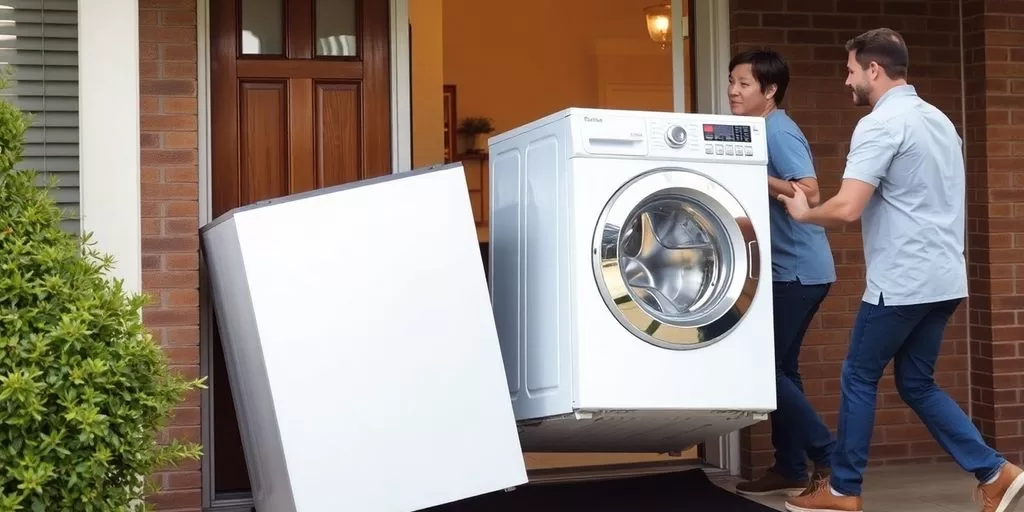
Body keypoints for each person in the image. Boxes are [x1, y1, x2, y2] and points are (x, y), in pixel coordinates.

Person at [778, 28, 1024, 512]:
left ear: (873, 69)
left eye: (851, 70)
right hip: (945, 278)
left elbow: (848, 207)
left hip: (902, 282)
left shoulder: (880, 124)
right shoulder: (939, 120)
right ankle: (995, 473)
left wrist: (806, 214)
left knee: (857, 375)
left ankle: (843, 489)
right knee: (916, 382)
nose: (846, 80)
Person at [726, 49, 839, 498]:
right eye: (731, 81)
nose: (733, 91)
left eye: (744, 84)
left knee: (762, 368)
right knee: (783, 370)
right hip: (792, 271)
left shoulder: (778, 130)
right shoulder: (760, 129)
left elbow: (807, 190)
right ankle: (790, 466)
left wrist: (750, 170)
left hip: (797, 273)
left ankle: (827, 455)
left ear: (769, 91)